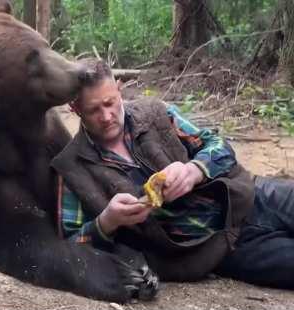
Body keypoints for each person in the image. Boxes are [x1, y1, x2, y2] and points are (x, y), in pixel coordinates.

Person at [51, 58, 294, 289]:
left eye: (110, 103)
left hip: (248, 195)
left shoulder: (157, 113)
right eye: (94, 110)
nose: (106, 117)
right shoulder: (72, 169)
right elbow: (71, 248)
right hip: (218, 247)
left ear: (119, 89)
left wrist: (194, 170)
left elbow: (219, 147)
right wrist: (107, 221)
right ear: (75, 108)